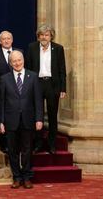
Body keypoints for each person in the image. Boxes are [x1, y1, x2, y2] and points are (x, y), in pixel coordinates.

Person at [0, 50, 43, 189]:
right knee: (12, 151)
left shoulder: (33, 76)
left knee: (27, 150)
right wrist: (1, 121)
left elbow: (38, 100)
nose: (17, 63)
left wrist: (39, 118)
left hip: (28, 119)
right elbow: (1, 102)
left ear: (23, 60)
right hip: (11, 121)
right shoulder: (4, 79)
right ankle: (17, 177)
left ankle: (27, 177)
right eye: (14, 61)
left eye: (19, 60)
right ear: (10, 63)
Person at [26, 24, 66, 154]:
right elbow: (28, 68)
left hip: (52, 85)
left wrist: (63, 88)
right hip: (36, 84)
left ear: (51, 36)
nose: (44, 37)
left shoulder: (58, 49)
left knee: (52, 115)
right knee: (37, 115)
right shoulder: (32, 48)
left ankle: (52, 144)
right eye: (42, 35)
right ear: (38, 36)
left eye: (47, 35)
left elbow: (62, 70)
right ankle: (37, 144)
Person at [0, 30, 21, 153]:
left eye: (8, 38)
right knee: (2, 116)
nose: (6, 41)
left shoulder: (19, 53)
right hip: (1, 92)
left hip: (18, 91)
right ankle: (4, 143)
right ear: (0, 41)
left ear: (12, 40)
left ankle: (17, 142)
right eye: (4, 39)